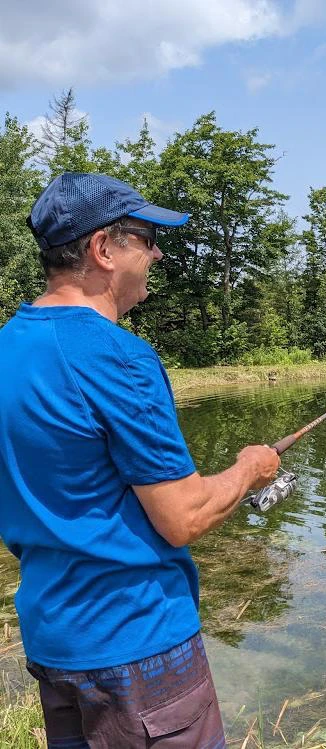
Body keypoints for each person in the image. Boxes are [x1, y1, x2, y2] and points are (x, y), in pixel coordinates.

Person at [0, 173, 281, 747]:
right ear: (104, 249)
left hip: (54, 641)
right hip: (138, 646)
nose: (156, 254)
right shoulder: (118, 358)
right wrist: (251, 467)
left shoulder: (8, 347)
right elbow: (184, 518)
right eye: (147, 238)